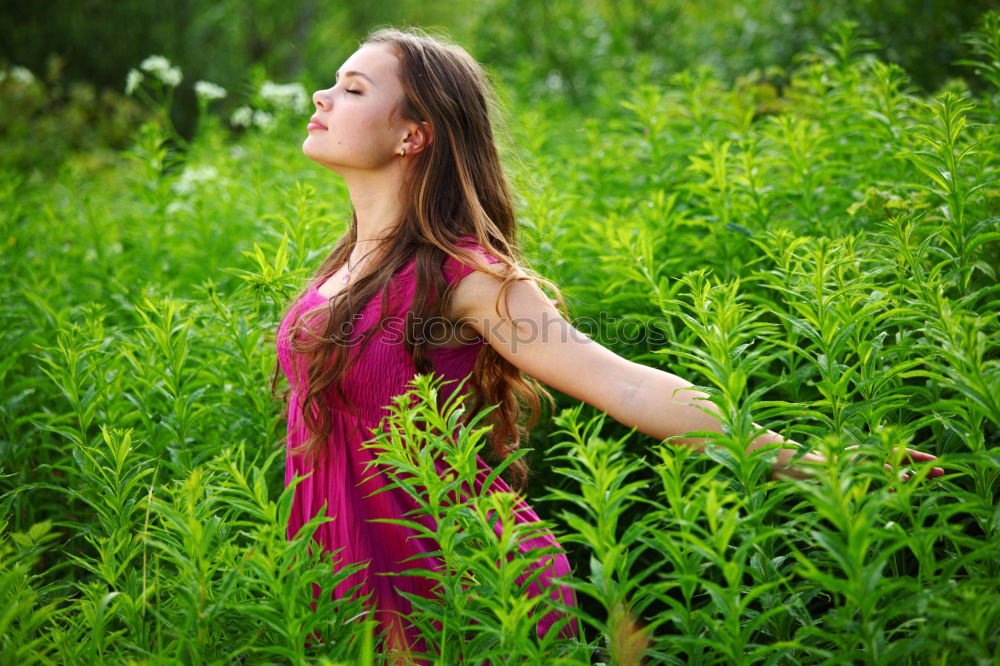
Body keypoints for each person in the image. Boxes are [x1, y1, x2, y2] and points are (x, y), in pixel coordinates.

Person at [273, 26, 943, 661]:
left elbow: (624, 384)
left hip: (462, 585)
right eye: (334, 83)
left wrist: (808, 463)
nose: (321, 97)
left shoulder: (465, 273)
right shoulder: (343, 266)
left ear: (413, 134)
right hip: (342, 575)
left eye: (354, 89)